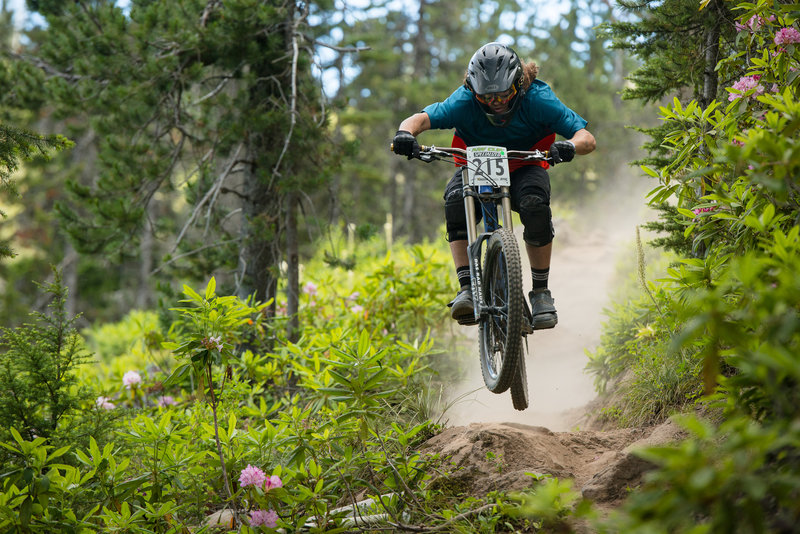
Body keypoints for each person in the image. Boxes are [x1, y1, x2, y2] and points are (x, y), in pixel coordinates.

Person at [392, 42, 596, 329]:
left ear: (519, 85)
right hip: (473, 163)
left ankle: (540, 293)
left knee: (535, 204)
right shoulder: (464, 101)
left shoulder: (539, 99)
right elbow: (420, 119)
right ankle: (467, 288)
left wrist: (569, 146)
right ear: (474, 91)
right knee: (454, 200)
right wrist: (405, 133)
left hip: (526, 163)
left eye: (504, 94)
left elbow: (586, 137)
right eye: (486, 97)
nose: (496, 102)